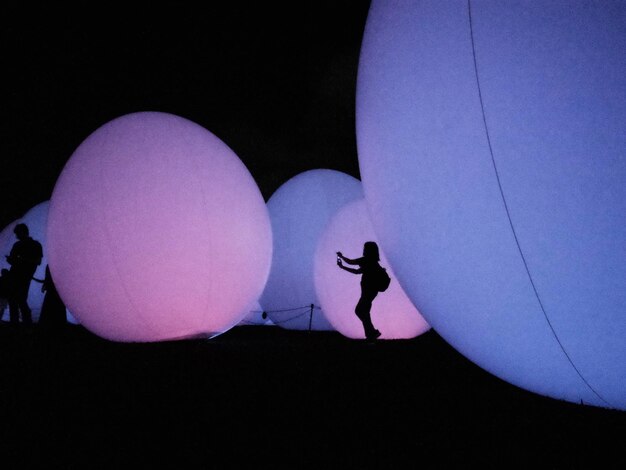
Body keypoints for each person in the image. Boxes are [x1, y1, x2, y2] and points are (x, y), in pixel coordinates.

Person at [336, 241, 383, 341]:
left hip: (368, 291)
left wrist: (341, 257)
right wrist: (342, 266)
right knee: (364, 312)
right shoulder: (373, 262)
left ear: (368, 250)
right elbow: (357, 271)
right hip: (371, 291)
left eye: (365, 248)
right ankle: (371, 334)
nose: (364, 250)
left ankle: (372, 333)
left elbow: (351, 262)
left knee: (360, 311)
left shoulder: (366, 260)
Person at [5, 223, 43, 325]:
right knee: (20, 299)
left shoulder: (19, 245)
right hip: (25, 276)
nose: (17, 236)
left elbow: (13, 261)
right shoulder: (36, 245)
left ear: (22, 232)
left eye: (18, 233)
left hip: (18, 275)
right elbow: (38, 262)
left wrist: (18, 260)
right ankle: (26, 323)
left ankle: (17, 323)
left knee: (15, 299)